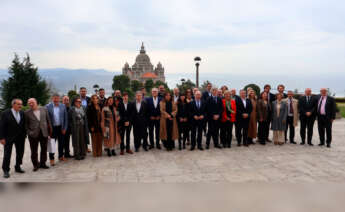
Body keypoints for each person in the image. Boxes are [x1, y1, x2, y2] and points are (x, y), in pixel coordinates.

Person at [0, 99, 26, 178]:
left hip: (20, 138)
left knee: (20, 153)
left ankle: (17, 167)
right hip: (8, 137)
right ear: (13, 105)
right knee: (7, 154)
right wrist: (1, 138)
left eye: (21, 104)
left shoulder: (22, 113)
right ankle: (6, 170)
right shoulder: (5, 113)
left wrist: (25, 135)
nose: (20, 106)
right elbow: (1, 126)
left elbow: (23, 125)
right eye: (18, 104)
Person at [25, 98, 52, 171]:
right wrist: (29, 133)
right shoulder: (27, 112)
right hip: (33, 135)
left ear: (36, 102)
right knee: (34, 151)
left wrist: (49, 133)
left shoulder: (44, 109)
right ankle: (35, 165)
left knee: (44, 149)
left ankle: (43, 163)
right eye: (29, 103)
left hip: (44, 133)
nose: (31, 104)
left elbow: (48, 121)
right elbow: (26, 125)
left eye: (32, 102)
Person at [46, 94, 68, 166]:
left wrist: (64, 128)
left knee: (61, 143)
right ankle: (51, 159)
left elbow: (65, 118)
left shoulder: (63, 106)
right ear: (52, 99)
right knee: (52, 144)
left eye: (57, 99)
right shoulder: (48, 107)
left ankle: (61, 156)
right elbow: (46, 119)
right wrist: (48, 130)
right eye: (54, 98)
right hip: (52, 129)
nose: (56, 100)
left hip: (61, 127)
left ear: (59, 99)